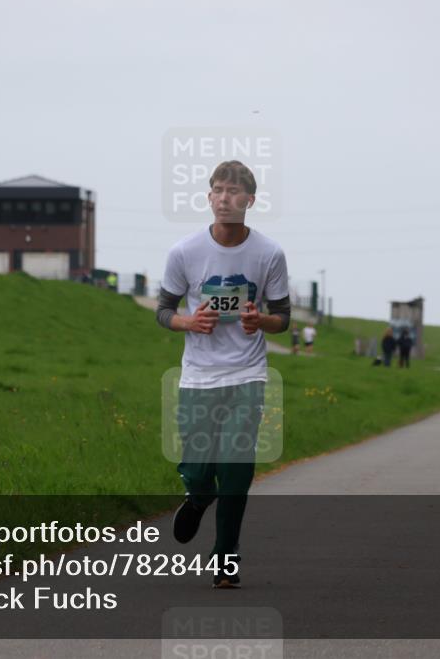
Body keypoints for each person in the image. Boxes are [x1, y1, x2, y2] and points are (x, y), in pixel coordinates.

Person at [155, 160, 290, 589]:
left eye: (234, 192)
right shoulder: (185, 252)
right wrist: (188, 322)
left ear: (250, 200)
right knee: (198, 470)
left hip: (247, 374)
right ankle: (197, 496)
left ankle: (226, 559)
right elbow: (163, 310)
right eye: (218, 190)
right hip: (198, 376)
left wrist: (260, 321)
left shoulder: (269, 253)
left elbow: (283, 317)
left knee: (236, 468)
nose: (224, 198)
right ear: (209, 197)